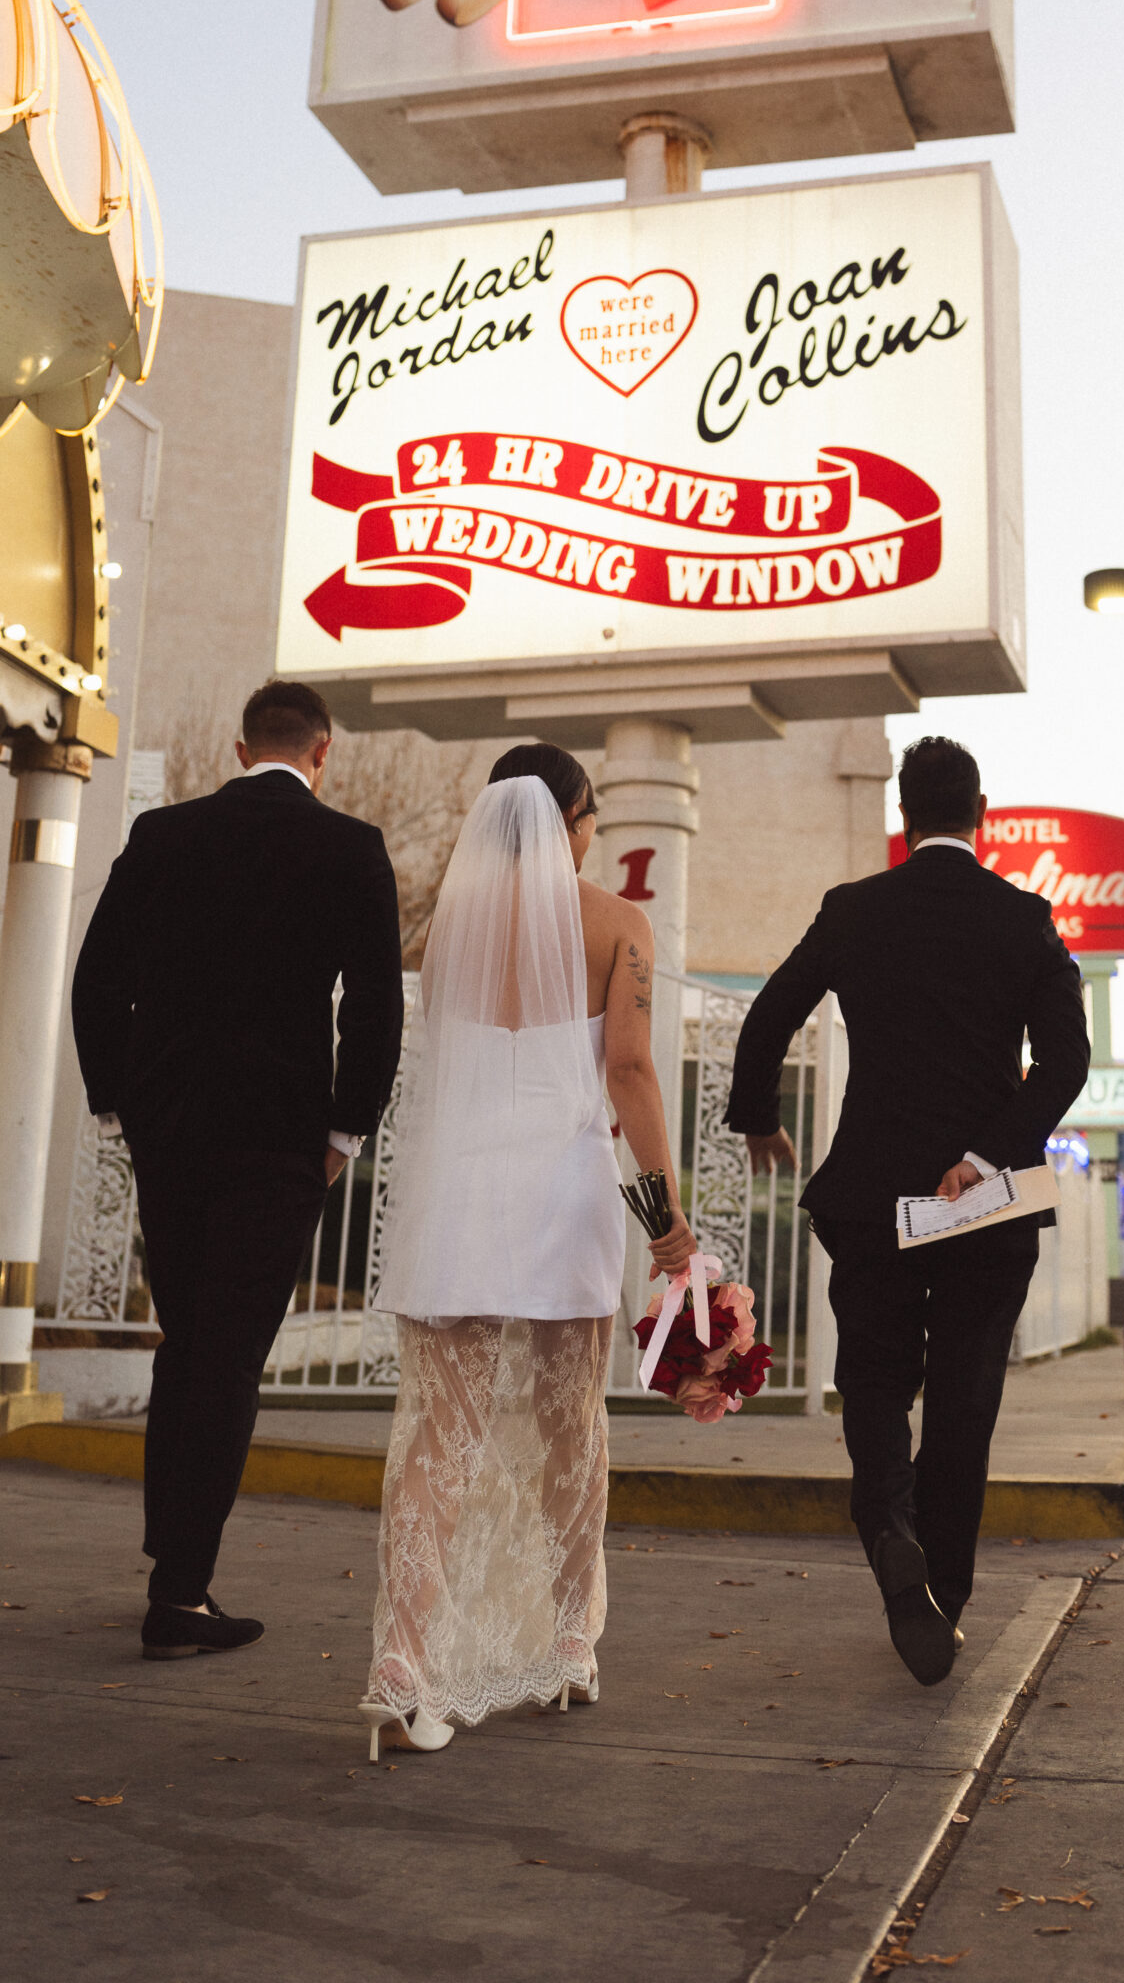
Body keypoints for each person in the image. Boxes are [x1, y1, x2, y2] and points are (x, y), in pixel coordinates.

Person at [726, 736, 1089, 1686]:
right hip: (985, 1205)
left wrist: (757, 1115)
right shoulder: (1023, 918)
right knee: (965, 1396)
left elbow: (770, 1014)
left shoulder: (854, 910)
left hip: (873, 1192)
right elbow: (1065, 1062)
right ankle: (943, 1594)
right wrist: (983, 1155)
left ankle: (890, 1529)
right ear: (983, 814)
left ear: (903, 816)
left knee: (876, 1381)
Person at [360, 742, 693, 1760]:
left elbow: (452, 1062)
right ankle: (568, 1644)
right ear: (570, 822)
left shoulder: (448, 927)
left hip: (458, 1195)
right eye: (589, 821)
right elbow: (628, 1070)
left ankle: (402, 1665)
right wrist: (666, 1217)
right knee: (569, 1431)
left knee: (438, 1439)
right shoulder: (618, 925)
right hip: (560, 1198)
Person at [71, 679, 404, 1660]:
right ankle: (179, 1595)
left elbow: (99, 978)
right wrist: (347, 1131)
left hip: (170, 1125)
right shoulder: (351, 847)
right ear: (323, 751)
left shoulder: (162, 834)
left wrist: (116, 1102)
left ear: (240, 747)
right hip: (281, 1134)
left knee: (188, 1337)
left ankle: (170, 1555)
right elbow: (375, 1005)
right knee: (228, 1351)